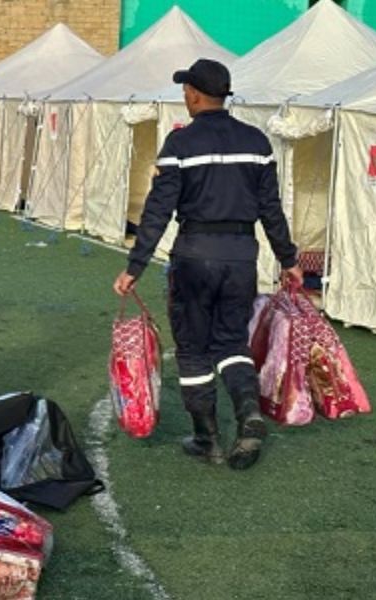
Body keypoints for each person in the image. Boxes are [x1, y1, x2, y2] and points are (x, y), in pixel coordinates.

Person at [112, 59, 302, 471]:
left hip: (194, 256)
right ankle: (248, 414)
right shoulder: (257, 142)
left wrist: (134, 266)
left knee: (194, 349)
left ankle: (207, 440)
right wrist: (288, 259)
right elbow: (271, 209)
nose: (185, 96)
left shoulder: (179, 144)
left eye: (186, 90)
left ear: (195, 95)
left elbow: (158, 210)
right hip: (241, 257)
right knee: (232, 343)